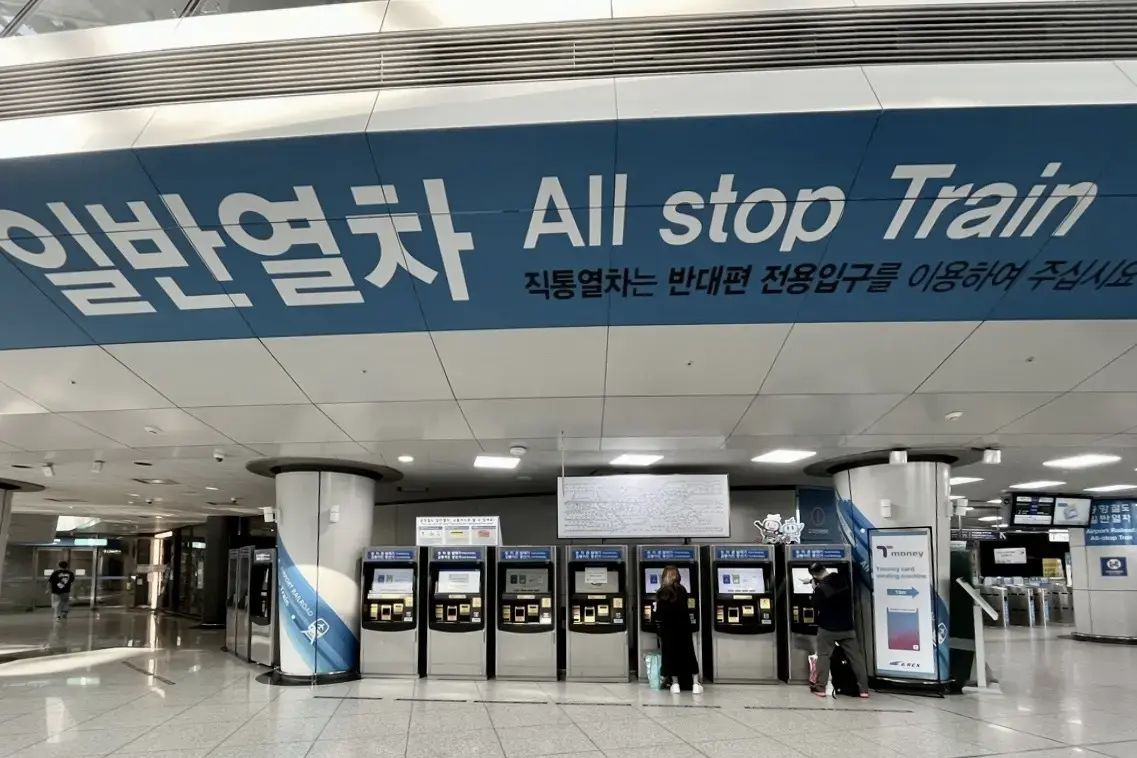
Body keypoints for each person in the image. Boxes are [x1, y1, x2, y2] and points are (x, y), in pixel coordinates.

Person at [809, 562, 870, 698]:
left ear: (814, 576)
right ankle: (864, 690)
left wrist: (815, 588)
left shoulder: (820, 588)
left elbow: (815, 604)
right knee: (856, 658)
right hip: (847, 627)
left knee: (824, 656)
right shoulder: (842, 580)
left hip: (827, 628)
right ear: (825, 569)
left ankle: (820, 688)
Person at [654, 565, 703, 694]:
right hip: (684, 628)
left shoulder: (661, 592)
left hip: (668, 630)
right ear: (677, 576)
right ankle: (695, 684)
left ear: (664, 576)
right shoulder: (682, 590)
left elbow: (659, 614)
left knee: (671, 655)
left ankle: (675, 685)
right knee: (689, 654)